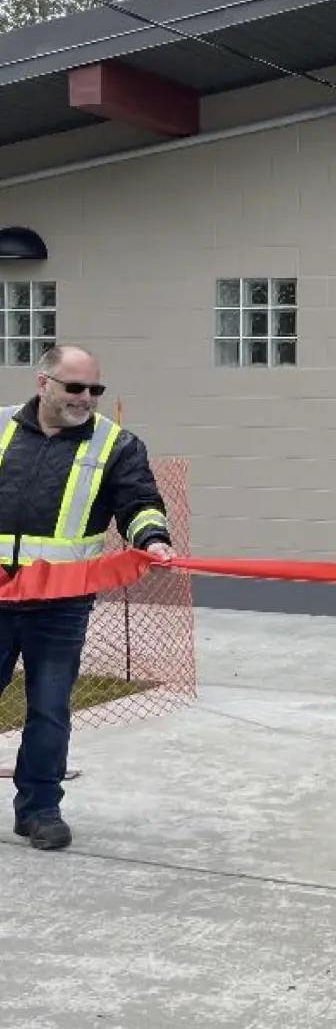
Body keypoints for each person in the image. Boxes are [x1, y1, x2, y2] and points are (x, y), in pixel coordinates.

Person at [0, 345, 175, 850]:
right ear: (43, 384)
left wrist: (152, 539)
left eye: (95, 389)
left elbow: (139, 501)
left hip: (60, 602)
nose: (87, 398)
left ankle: (39, 809)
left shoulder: (115, 444)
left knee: (49, 708)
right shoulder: (4, 426)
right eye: (74, 387)